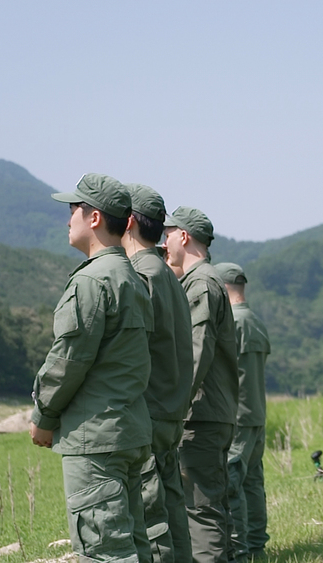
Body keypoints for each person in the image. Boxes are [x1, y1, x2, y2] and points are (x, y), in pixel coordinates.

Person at [29, 173, 155, 563]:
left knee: (105, 552)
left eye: (73, 210)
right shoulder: (132, 278)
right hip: (128, 429)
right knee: (134, 545)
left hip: (95, 437)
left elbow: (68, 360)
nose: (68, 220)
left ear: (94, 217)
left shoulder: (92, 281)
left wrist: (43, 416)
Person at [123, 184, 196, 563]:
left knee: (151, 519)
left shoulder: (140, 275)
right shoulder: (168, 275)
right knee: (172, 509)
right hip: (170, 410)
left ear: (128, 221)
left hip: (149, 412)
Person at [162, 206, 240, 563]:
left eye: (168, 234)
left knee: (200, 510)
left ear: (183, 236)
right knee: (210, 506)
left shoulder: (201, 283)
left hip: (200, 415)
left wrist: (173, 407)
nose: (164, 242)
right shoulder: (204, 280)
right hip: (209, 413)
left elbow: (196, 350)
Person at [216, 262, 271, 563]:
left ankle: (239, 551)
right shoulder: (256, 322)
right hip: (256, 415)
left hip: (236, 416)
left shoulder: (232, 323)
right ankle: (256, 547)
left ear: (222, 288)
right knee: (252, 483)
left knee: (232, 485)